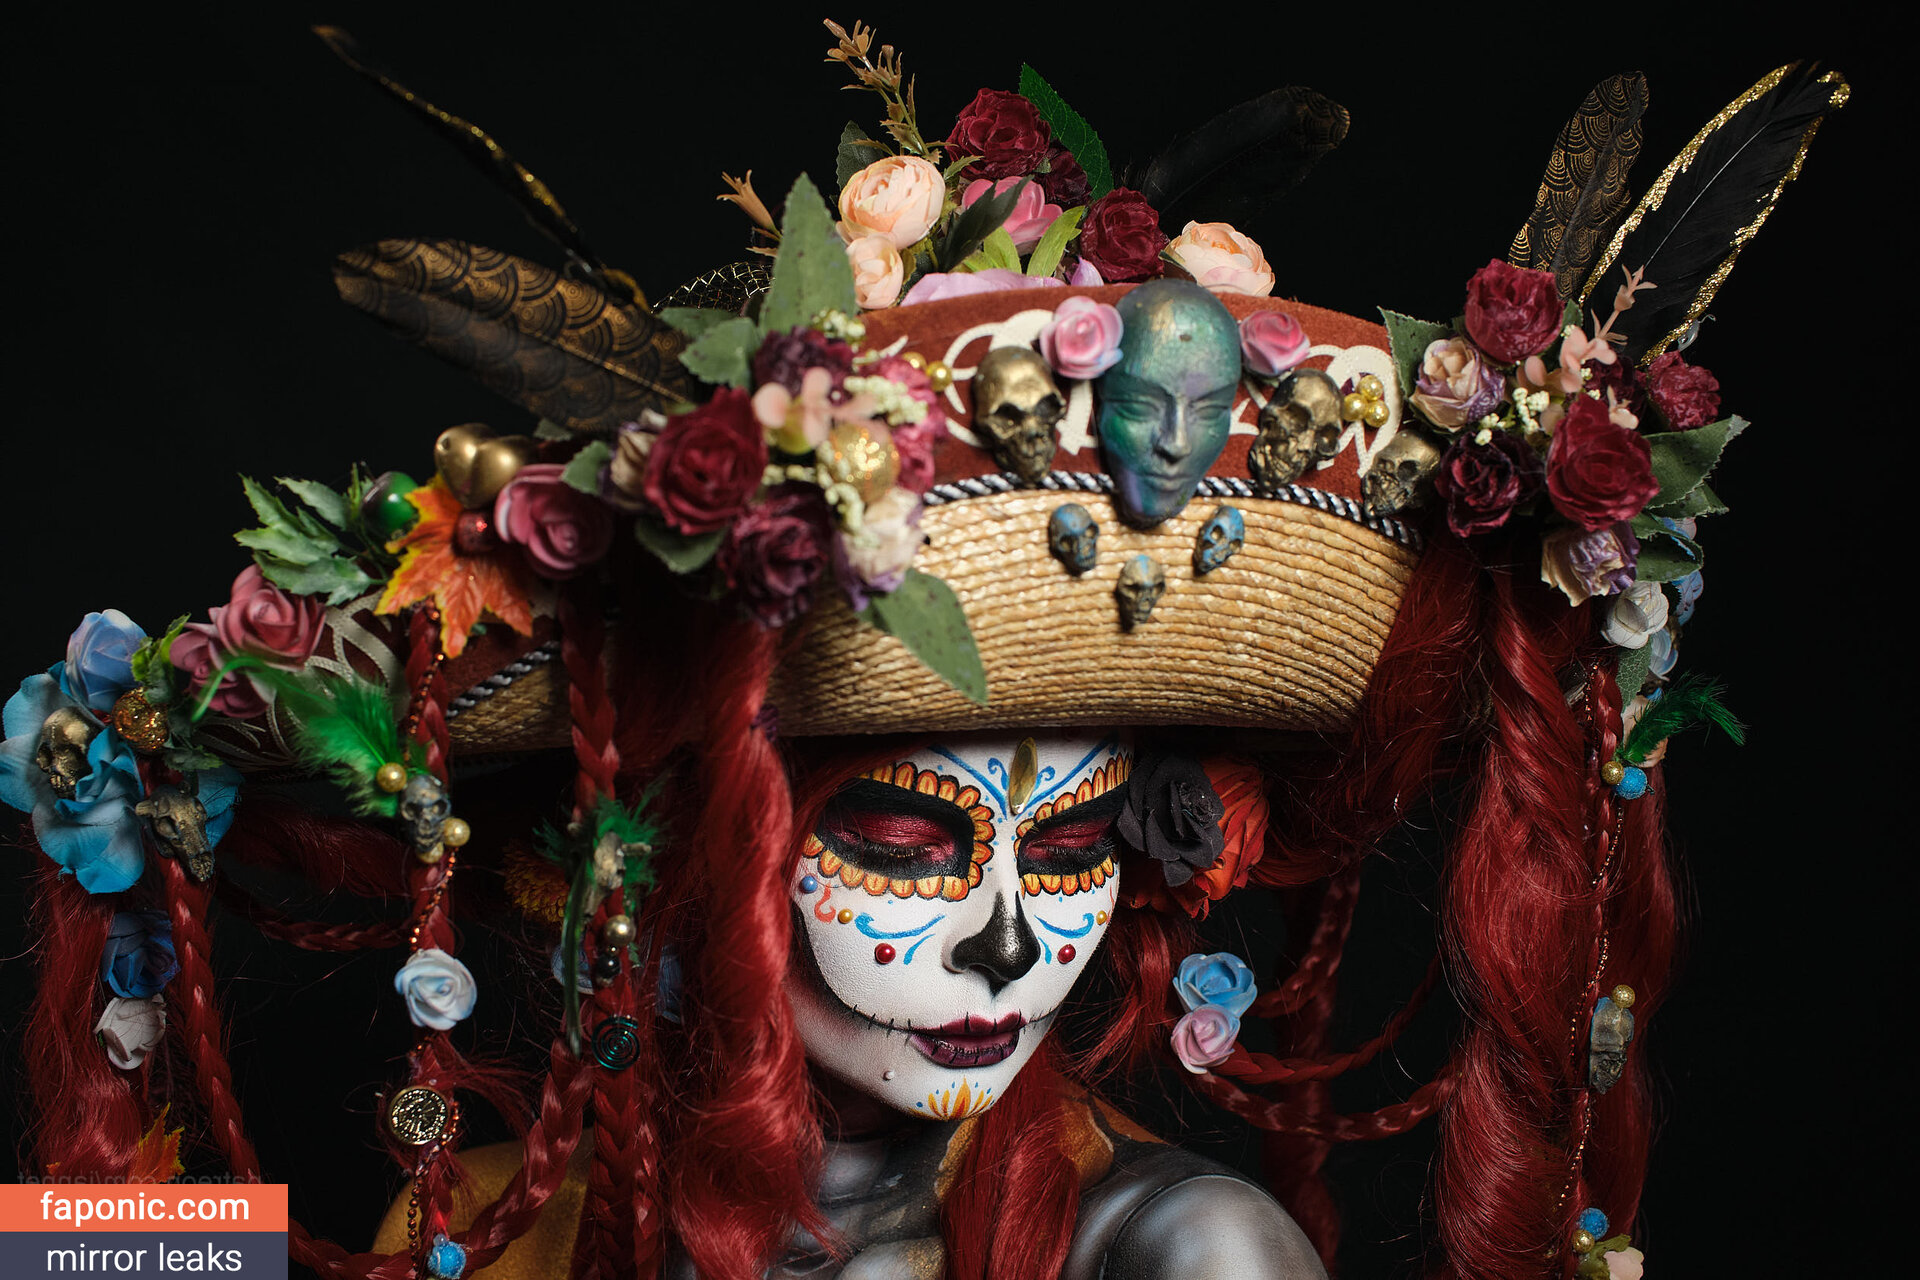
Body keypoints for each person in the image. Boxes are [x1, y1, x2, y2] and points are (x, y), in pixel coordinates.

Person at [2, 16, 1866, 1280]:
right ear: (681, 856)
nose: (1002, 948)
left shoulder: (1177, 1255)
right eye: (903, 840)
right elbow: (116, 1243)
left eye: (1072, 846)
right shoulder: (487, 1217)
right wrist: (103, 1194)